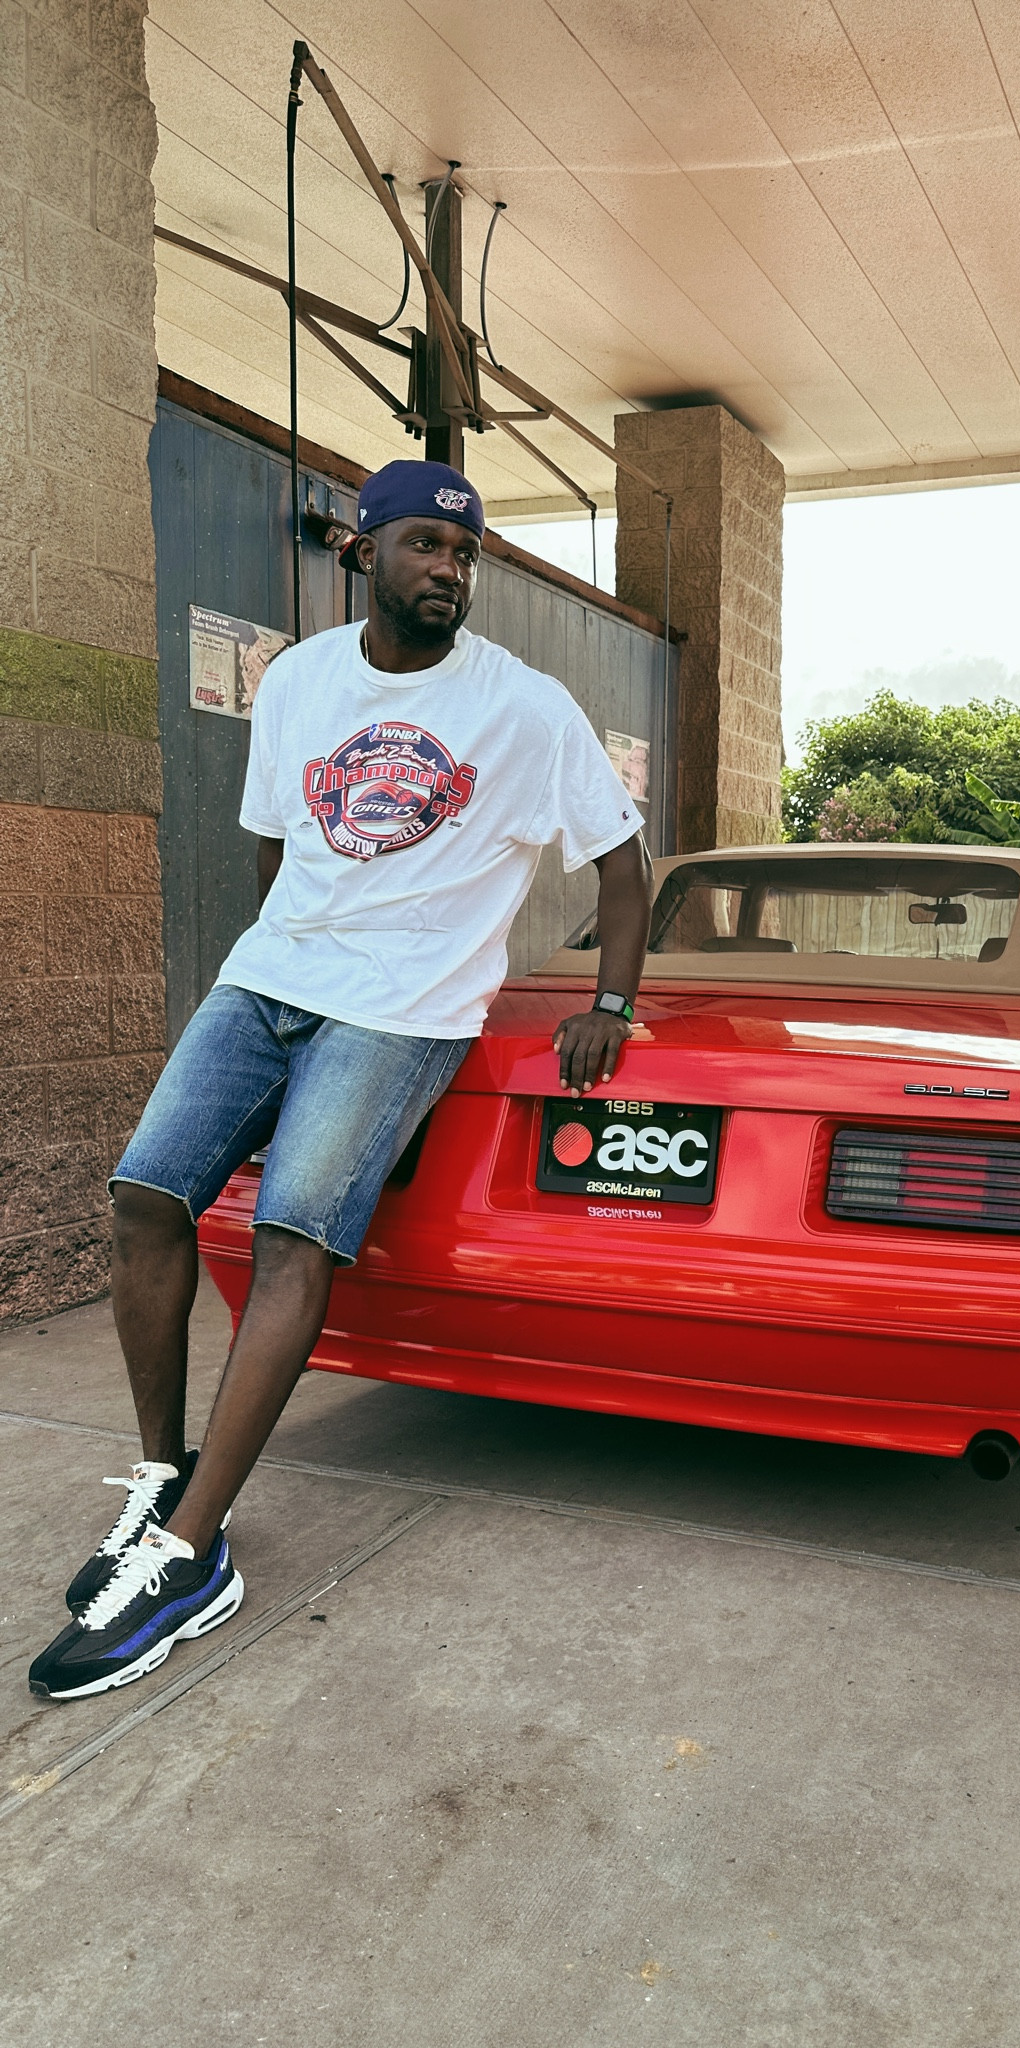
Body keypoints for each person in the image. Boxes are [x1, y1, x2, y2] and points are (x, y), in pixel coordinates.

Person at [30, 460, 652, 1701]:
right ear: (363, 552)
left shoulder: (526, 709)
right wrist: (289, 975)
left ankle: (190, 1554)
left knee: (290, 1238)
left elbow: (625, 872)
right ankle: (163, 1472)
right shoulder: (303, 680)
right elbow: (278, 847)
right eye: (426, 545)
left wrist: (612, 1003)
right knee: (144, 1198)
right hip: (270, 981)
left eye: (465, 555)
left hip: (405, 1007)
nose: (449, 571)